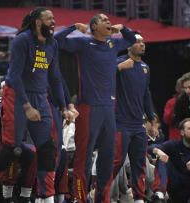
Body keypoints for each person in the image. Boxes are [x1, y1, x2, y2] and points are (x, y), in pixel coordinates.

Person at [0, 7, 72, 203]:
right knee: (11, 148)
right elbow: (14, 76)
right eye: (49, 19)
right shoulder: (22, 40)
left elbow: (55, 77)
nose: (54, 22)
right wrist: (27, 106)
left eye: (54, 18)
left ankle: (46, 197)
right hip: (16, 96)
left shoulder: (52, 43)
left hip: (40, 96)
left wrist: (64, 107)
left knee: (47, 148)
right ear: (38, 22)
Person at [54, 13, 136, 202]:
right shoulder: (83, 43)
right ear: (93, 27)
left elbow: (131, 40)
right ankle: (80, 198)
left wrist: (122, 28)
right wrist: (74, 27)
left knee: (107, 159)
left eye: (109, 20)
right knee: (84, 158)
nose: (108, 22)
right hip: (88, 107)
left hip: (109, 108)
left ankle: (102, 198)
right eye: (104, 20)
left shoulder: (113, 45)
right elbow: (57, 41)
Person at [110, 32, 156, 202]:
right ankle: (100, 193)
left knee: (140, 165)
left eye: (144, 42)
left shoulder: (145, 67)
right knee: (116, 163)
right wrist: (119, 68)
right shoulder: (118, 62)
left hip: (138, 125)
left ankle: (139, 199)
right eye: (138, 42)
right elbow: (104, 77)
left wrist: (151, 120)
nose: (142, 44)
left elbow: (146, 95)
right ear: (128, 45)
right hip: (120, 123)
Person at [148, 118, 190, 203]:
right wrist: (159, 152)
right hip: (176, 185)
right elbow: (150, 148)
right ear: (182, 132)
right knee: (162, 158)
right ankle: (159, 196)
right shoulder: (173, 144)